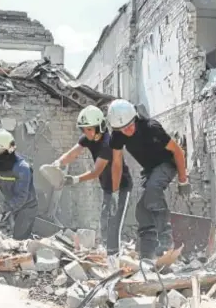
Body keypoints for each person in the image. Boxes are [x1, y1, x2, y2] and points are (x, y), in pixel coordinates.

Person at [107, 99, 191, 259]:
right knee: (142, 209)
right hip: (151, 169)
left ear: (135, 118)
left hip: (167, 163)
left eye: (130, 125)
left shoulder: (151, 128)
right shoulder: (117, 136)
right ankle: (147, 253)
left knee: (153, 190)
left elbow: (178, 152)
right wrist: (115, 191)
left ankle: (166, 241)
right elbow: (117, 164)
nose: (128, 130)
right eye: (123, 129)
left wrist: (183, 180)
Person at [52, 105, 133, 256]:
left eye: (89, 129)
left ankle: (113, 254)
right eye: (84, 129)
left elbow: (96, 171)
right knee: (105, 218)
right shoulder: (89, 138)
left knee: (114, 220)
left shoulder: (108, 143)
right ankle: (107, 249)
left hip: (120, 186)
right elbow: (73, 153)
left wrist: (74, 179)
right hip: (108, 187)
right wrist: (58, 163)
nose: (86, 132)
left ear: (99, 127)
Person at [0, 128, 38, 240]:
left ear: (9, 150)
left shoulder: (22, 168)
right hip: (11, 205)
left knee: (19, 238)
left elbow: (21, 198)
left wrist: (0, 209)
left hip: (27, 206)